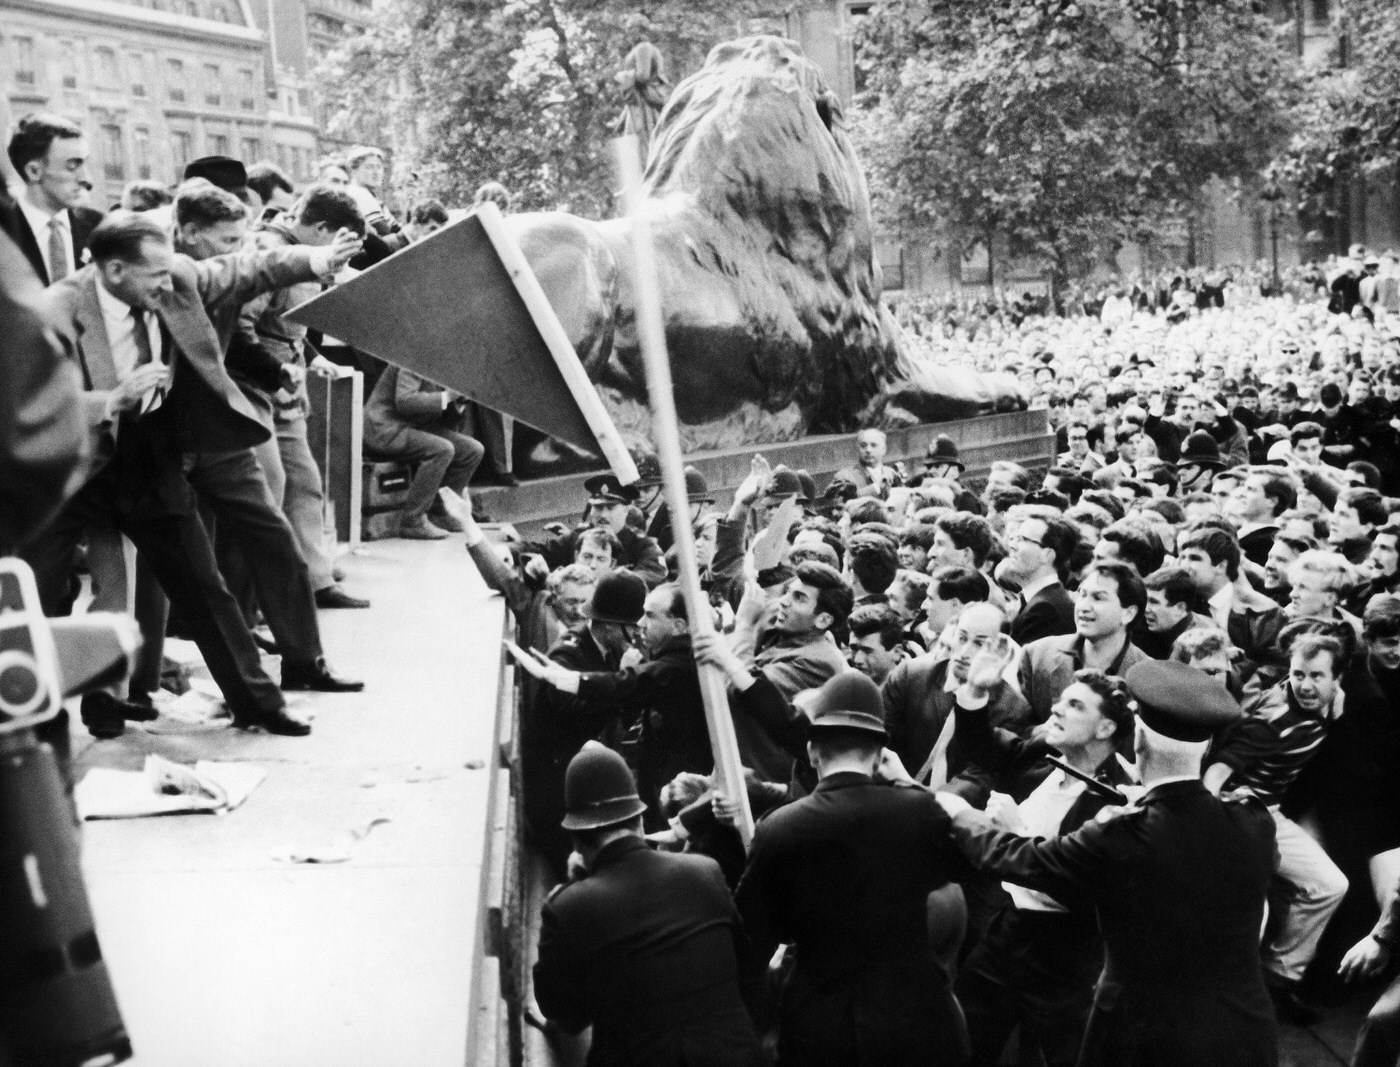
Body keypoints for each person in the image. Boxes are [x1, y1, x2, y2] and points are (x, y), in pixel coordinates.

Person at [20, 211, 358, 737]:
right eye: (153, 274)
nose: (166, 282)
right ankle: (34, 721)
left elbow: (250, 268)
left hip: (150, 457)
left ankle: (258, 704)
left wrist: (315, 259)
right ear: (112, 271)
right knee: (35, 590)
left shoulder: (175, 276)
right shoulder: (55, 309)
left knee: (204, 587)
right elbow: (26, 405)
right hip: (73, 465)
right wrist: (112, 399)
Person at [936, 659, 1278, 1067]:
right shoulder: (1253, 820)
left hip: (1141, 1035)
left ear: (1137, 743)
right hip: (1239, 1033)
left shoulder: (1124, 831)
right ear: (1205, 747)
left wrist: (958, 811)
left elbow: (1020, 857)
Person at [734, 671, 972, 1067]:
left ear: (812, 753)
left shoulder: (779, 828)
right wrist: (909, 786)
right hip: (914, 1024)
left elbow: (749, 938)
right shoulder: (919, 811)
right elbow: (956, 866)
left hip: (820, 1029)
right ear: (880, 756)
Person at [932, 660, 1136, 1067]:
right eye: (1060, 700)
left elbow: (1082, 887)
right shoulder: (1046, 752)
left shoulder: (1120, 800)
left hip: (1067, 958)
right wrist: (974, 691)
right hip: (1005, 933)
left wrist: (1017, 832)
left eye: (1075, 705)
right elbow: (985, 749)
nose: (1057, 709)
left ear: (1106, 729)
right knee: (963, 1044)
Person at [533, 742, 764, 1067]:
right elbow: (746, 966)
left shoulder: (568, 908)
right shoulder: (705, 872)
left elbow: (566, 1016)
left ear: (576, 841)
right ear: (640, 823)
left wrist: (575, 888)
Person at [1204, 631, 1352, 1024]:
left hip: (1273, 812)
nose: (1305, 685)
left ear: (1337, 678)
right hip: (1242, 811)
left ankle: (1279, 980)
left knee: (1329, 885)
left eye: (1316, 676)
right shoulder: (1274, 720)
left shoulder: (1334, 702)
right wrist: (1210, 818)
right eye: (1299, 674)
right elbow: (1217, 774)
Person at [238, 182, 372, 609]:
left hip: (284, 382)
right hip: (258, 384)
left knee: (304, 484)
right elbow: (243, 328)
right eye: (339, 245)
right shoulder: (269, 254)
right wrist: (278, 375)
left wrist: (311, 357)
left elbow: (286, 321)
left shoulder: (297, 252)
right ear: (320, 228)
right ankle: (255, 597)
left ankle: (315, 581)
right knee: (267, 491)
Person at [362, 364, 485, 538]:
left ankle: (440, 513)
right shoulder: (414, 356)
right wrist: (448, 395)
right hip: (386, 429)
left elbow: (447, 423)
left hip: (415, 427)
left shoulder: (449, 363)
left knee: (472, 450)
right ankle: (412, 520)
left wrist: (458, 403)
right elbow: (404, 401)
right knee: (442, 449)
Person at [1018, 561, 1149, 723]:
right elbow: (1019, 733)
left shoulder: (1148, 678)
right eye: (1082, 594)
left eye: (1098, 598)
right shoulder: (1036, 655)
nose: (1084, 606)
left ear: (1128, 613)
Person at [0, 113, 103, 284]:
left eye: (84, 164)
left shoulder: (99, 227)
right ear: (34, 171)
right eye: (72, 166)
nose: (87, 178)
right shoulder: (5, 234)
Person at [525, 474, 666, 587]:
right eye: (598, 508)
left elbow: (649, 575)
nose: (603, 515)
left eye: (610, 508)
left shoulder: (643, 545)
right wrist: (507, 549)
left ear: (626, 510)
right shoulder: (577, 537)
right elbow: (540, 550)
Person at [1005, 513, 1078, 644]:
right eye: (1015, 538)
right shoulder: (1040, 599)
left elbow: (1019, 662)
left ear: (1047, 555)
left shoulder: (1046, 610)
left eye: (1022, 539)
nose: (1012, 545)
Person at [833, 427, 902, 499]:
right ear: (858, 449)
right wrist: (875, 487)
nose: (868, 450)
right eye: (863, 446)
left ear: (884, 449)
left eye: (874, 445)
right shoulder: (844, 476)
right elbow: (842, 503)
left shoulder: (891, 473)